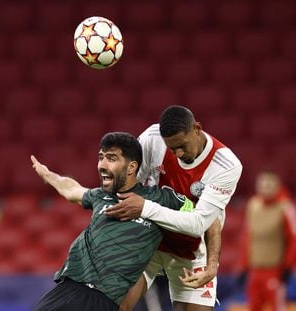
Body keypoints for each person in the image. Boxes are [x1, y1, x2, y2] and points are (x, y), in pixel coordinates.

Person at [31, 132, 195, 311]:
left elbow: (202, 215)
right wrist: (49, 176)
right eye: (101, 157)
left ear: (131, 167)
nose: (102, 164)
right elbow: (72, 189)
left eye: (111, 158)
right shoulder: (101, 196)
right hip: (65, 290)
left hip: (102, 300)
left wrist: (208, 264)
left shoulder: (161, 199)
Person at [106, 105, 243, 310]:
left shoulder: (225, 164)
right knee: (113, 303)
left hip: (191, 249)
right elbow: (127, 186)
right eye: (171, 148)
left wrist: (212, 264)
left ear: (197, 128)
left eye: (182, 146)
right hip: (148, 239)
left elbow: (200, 224)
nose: (178, 153)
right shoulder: (152, 138)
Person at [238, 169, 296, 311]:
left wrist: (289, 266)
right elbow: (247, 237)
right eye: (262, 183)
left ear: (277, 185)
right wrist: (244, 266)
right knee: (254, 307)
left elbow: (293, 239)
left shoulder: (286, 208)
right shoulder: (253, 205)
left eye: (269, 184)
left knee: (278, 307)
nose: (265, 187)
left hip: (275, 270)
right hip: (255, 271)